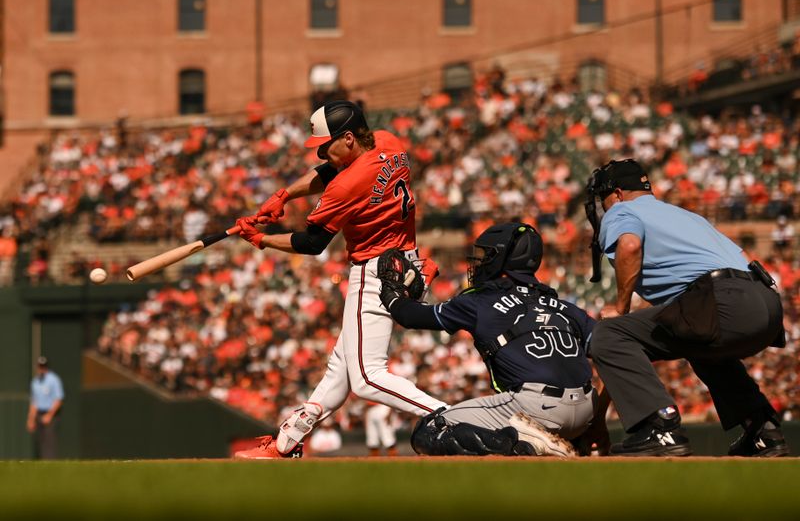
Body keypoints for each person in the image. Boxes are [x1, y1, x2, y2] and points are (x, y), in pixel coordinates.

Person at [233, 100, 446, 459]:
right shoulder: (389, 141)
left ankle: (454, 419)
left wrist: (262, 240)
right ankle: (287, 442)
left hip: (375, 271)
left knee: (366, 377)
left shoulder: (347, 184)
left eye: (325, 144)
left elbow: (312, 243)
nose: (320, 151)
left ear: (347, 138)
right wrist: (284, 195)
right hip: (404, 262)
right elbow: (329, 171)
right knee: (341, 369)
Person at [584, 159, 789, 457]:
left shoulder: (622, 210)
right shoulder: (684, 216)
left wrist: (621, 307)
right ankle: (763, 431)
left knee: (609, 333)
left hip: (721, 299)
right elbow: (743, 257)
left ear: (616, 193)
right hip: (766, 302)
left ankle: (660, 428)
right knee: (700, 342)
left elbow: (629, 246)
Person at [379, 222, 597, 457]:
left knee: (430, 430)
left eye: (487, 255)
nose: (480, 262)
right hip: (587, 413)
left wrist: (393, 296)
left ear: (502, 259)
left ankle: (522, 442)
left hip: (536, 407)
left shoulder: (480, 302)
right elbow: (611, 356)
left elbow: (411, 316)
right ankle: (551, 441)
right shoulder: (565, 307)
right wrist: (599, 424)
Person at [26, 356, 64, 459]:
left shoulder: (54, 380)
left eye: (43, 366)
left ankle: (50, 463)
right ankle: (42, 462)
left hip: (51, 414)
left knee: (49, 440)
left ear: (46, 367)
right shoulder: (35, 382)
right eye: (39, 366)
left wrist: (49, 415)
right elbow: (34, 402)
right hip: (39, 413)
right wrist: (31, 419)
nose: (41, 368)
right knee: (41, 440)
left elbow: (58, 399)